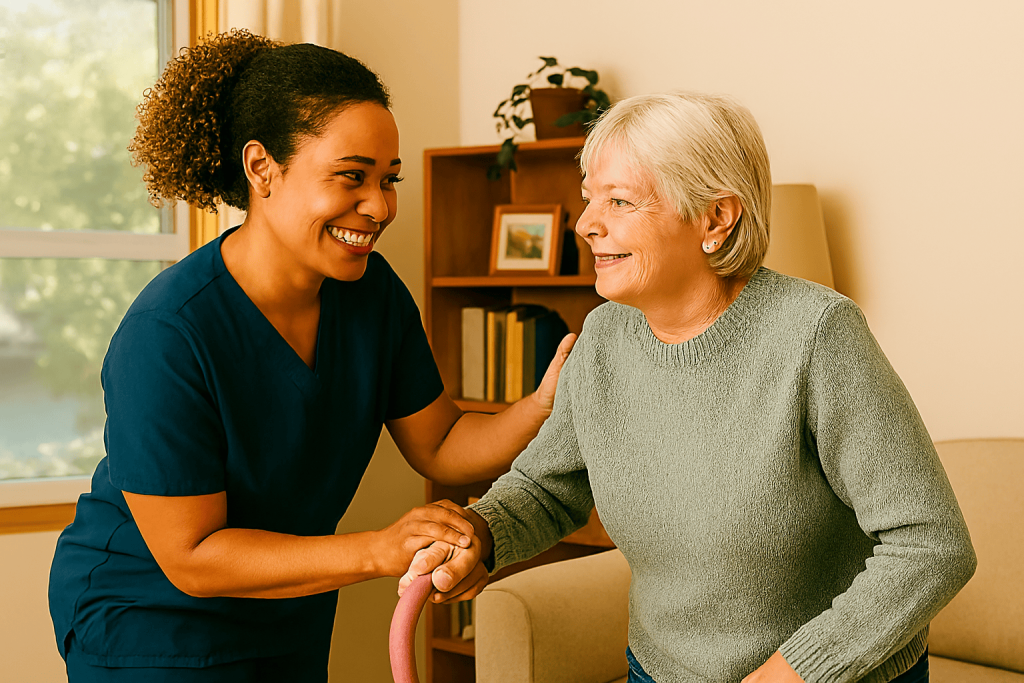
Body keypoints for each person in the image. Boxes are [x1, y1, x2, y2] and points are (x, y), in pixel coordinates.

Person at [47, 29, 573, 682]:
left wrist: (542, 405)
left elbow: (441, 441)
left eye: (389, 179)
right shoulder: (168, 332)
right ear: (262, 168)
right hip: (149, 625)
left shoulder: (371, 294)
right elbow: (192, 555)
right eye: (352, 177)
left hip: (284, 615)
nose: (380, 206)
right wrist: (378, 549)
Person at [402, 92, 977, 683]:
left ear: (715, 219)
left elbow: (930, 545)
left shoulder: (814, 334)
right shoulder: (603, 336)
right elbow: (549, 488)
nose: (585, 225)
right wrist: (482, 533)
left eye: (619, 201)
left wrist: (792, 673)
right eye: (589, 200)